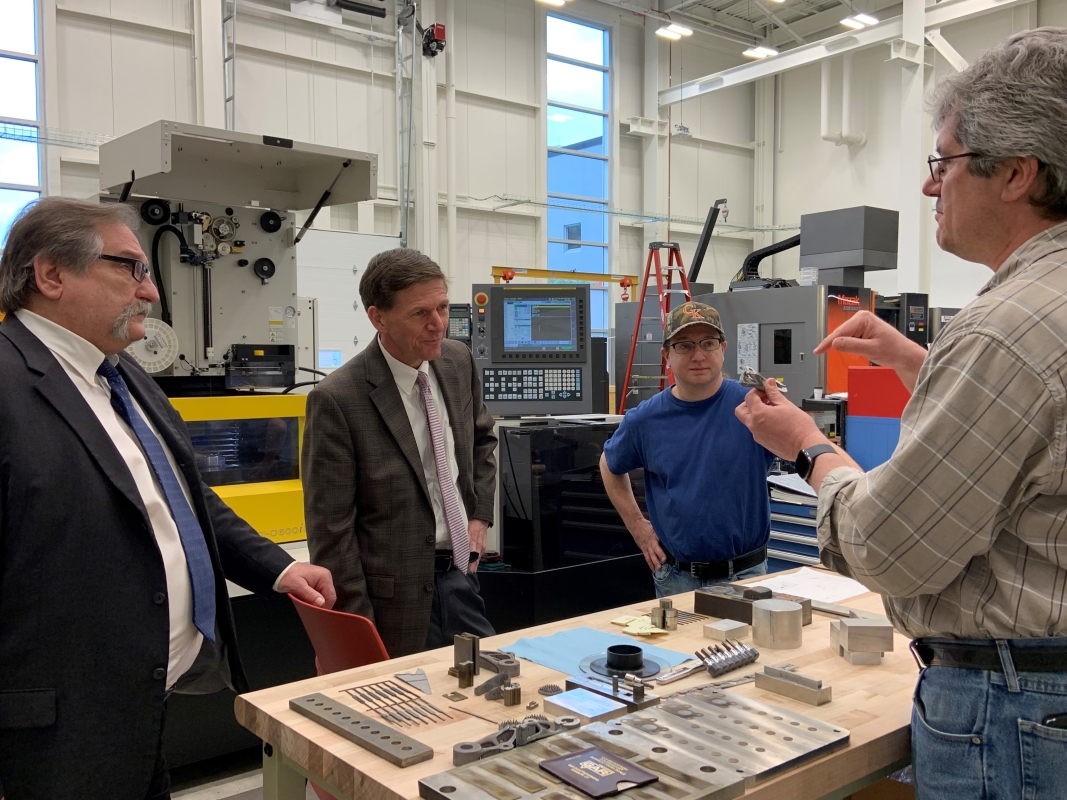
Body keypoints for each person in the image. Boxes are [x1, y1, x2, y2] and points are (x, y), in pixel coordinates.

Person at [736, 28, 1067, 800]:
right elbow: (1038, 437)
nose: (927, 186)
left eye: (941, 162)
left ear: (1015, 172)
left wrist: (806, 446)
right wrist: (920, 362)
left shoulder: (1005, 327)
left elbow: (886, 548)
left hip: (1011, 710)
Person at [0, 197, 336, 800]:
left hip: (143, 707)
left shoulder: (124, 375)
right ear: (51, 275)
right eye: (130, 268)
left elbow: (185, 498)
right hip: (50, 735)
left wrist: (279, 568)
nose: (151, 292)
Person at [302, 248, 497, 657]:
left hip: (461, 577)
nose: (437, 324)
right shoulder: (338, 399)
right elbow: (331, 531)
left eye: (442, 307)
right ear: (378, 318)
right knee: (406, 697)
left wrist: (479, 518)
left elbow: (482, 441)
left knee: (490, 683)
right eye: (419, 313)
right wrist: (358, 631)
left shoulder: (457, 361)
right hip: (391, 601)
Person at [600, 302, 775, 598]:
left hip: (746, 576)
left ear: (723, 348)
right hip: (677, 578)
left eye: (708, 343)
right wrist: (638, 527)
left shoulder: (754, 407)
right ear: (666, 355)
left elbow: (804, 450)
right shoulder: (646, 419)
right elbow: (609, 464)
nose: (698, 355)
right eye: (684, 345)